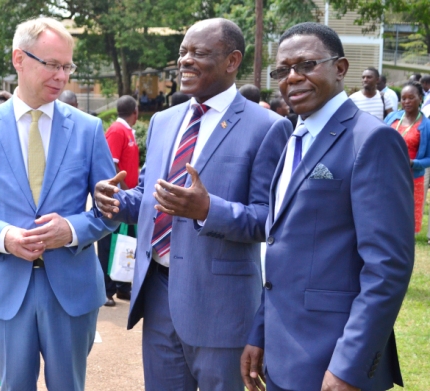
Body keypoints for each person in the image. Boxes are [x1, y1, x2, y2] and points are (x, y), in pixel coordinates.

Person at [94, 18, 291, 390]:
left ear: (232, 61)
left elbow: (269, 221)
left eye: (199, 53)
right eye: (183, 52)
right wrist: (117, 201)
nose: (185, 60)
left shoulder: (266, 127)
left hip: (221, 308)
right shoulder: (164, 121)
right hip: (158, 300)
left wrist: (207, 210)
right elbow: (153, 198)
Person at [0, 17, 118, 391]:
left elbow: (110, 210)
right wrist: (4, 236)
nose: (61, 75)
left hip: (71, 291)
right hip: (7, 289)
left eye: (67, 66)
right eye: (51, 64)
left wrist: (70, 230)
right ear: (18, 59)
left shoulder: (88, 129)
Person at [241, 22, 414, 391]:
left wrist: (349, 366)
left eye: (306, 64)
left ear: (340, 68)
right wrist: (260, 332)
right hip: (282, 356)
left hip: (331, 363)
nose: (293, 77)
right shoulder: (294, 137)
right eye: (283, 69)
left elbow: (387, 268)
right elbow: (280, 250)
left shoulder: (372, 140)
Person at [98, 95, 139, 307]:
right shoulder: (116, 130)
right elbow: (110, 164)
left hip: (130, 199)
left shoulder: (127, 130)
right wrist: (123, 192)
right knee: (109, 243)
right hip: (118, 199)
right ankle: (106, 289)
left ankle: (123, 286)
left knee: (128, 243)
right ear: (136, 112)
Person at [384, 81, 430, 233]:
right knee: (386, 218)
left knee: (406, 225)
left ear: (420, 99)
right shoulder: (392, 118)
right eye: (403, 98)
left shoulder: (426, 125)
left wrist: (413, 163)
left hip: (411, 180)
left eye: (411, 97)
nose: (406, 101)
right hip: (388, 177)